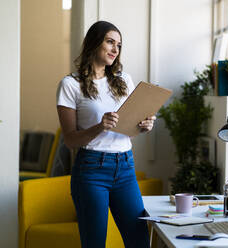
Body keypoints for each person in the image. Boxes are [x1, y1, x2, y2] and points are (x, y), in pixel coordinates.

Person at [56, 21, 155, 248]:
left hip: (125, 167)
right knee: (94, 243)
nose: (115, 49)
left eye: (119, 45)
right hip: (91, 170)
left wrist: (143, 125)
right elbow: (70, 140)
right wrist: (100, 126)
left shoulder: (123, 81)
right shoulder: (70, 85)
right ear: (93, 43)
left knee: (140, 241)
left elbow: (128, 131)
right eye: (110, 42)